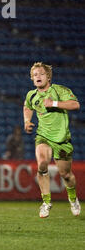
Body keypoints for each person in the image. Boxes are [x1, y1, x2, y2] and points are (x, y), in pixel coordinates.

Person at [23, 62, 81, 218]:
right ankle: (46, 202)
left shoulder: (59, 90)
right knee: (42, 162)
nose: (38, 77)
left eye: (41, 74)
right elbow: (27, 107)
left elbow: (75, 104)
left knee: (66, 174)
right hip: (43, 136)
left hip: (61, 140)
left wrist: (53, 103)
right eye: (35, 75)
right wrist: (27, 121)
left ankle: (73, 199)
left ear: (48, 76)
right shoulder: (31, 95)